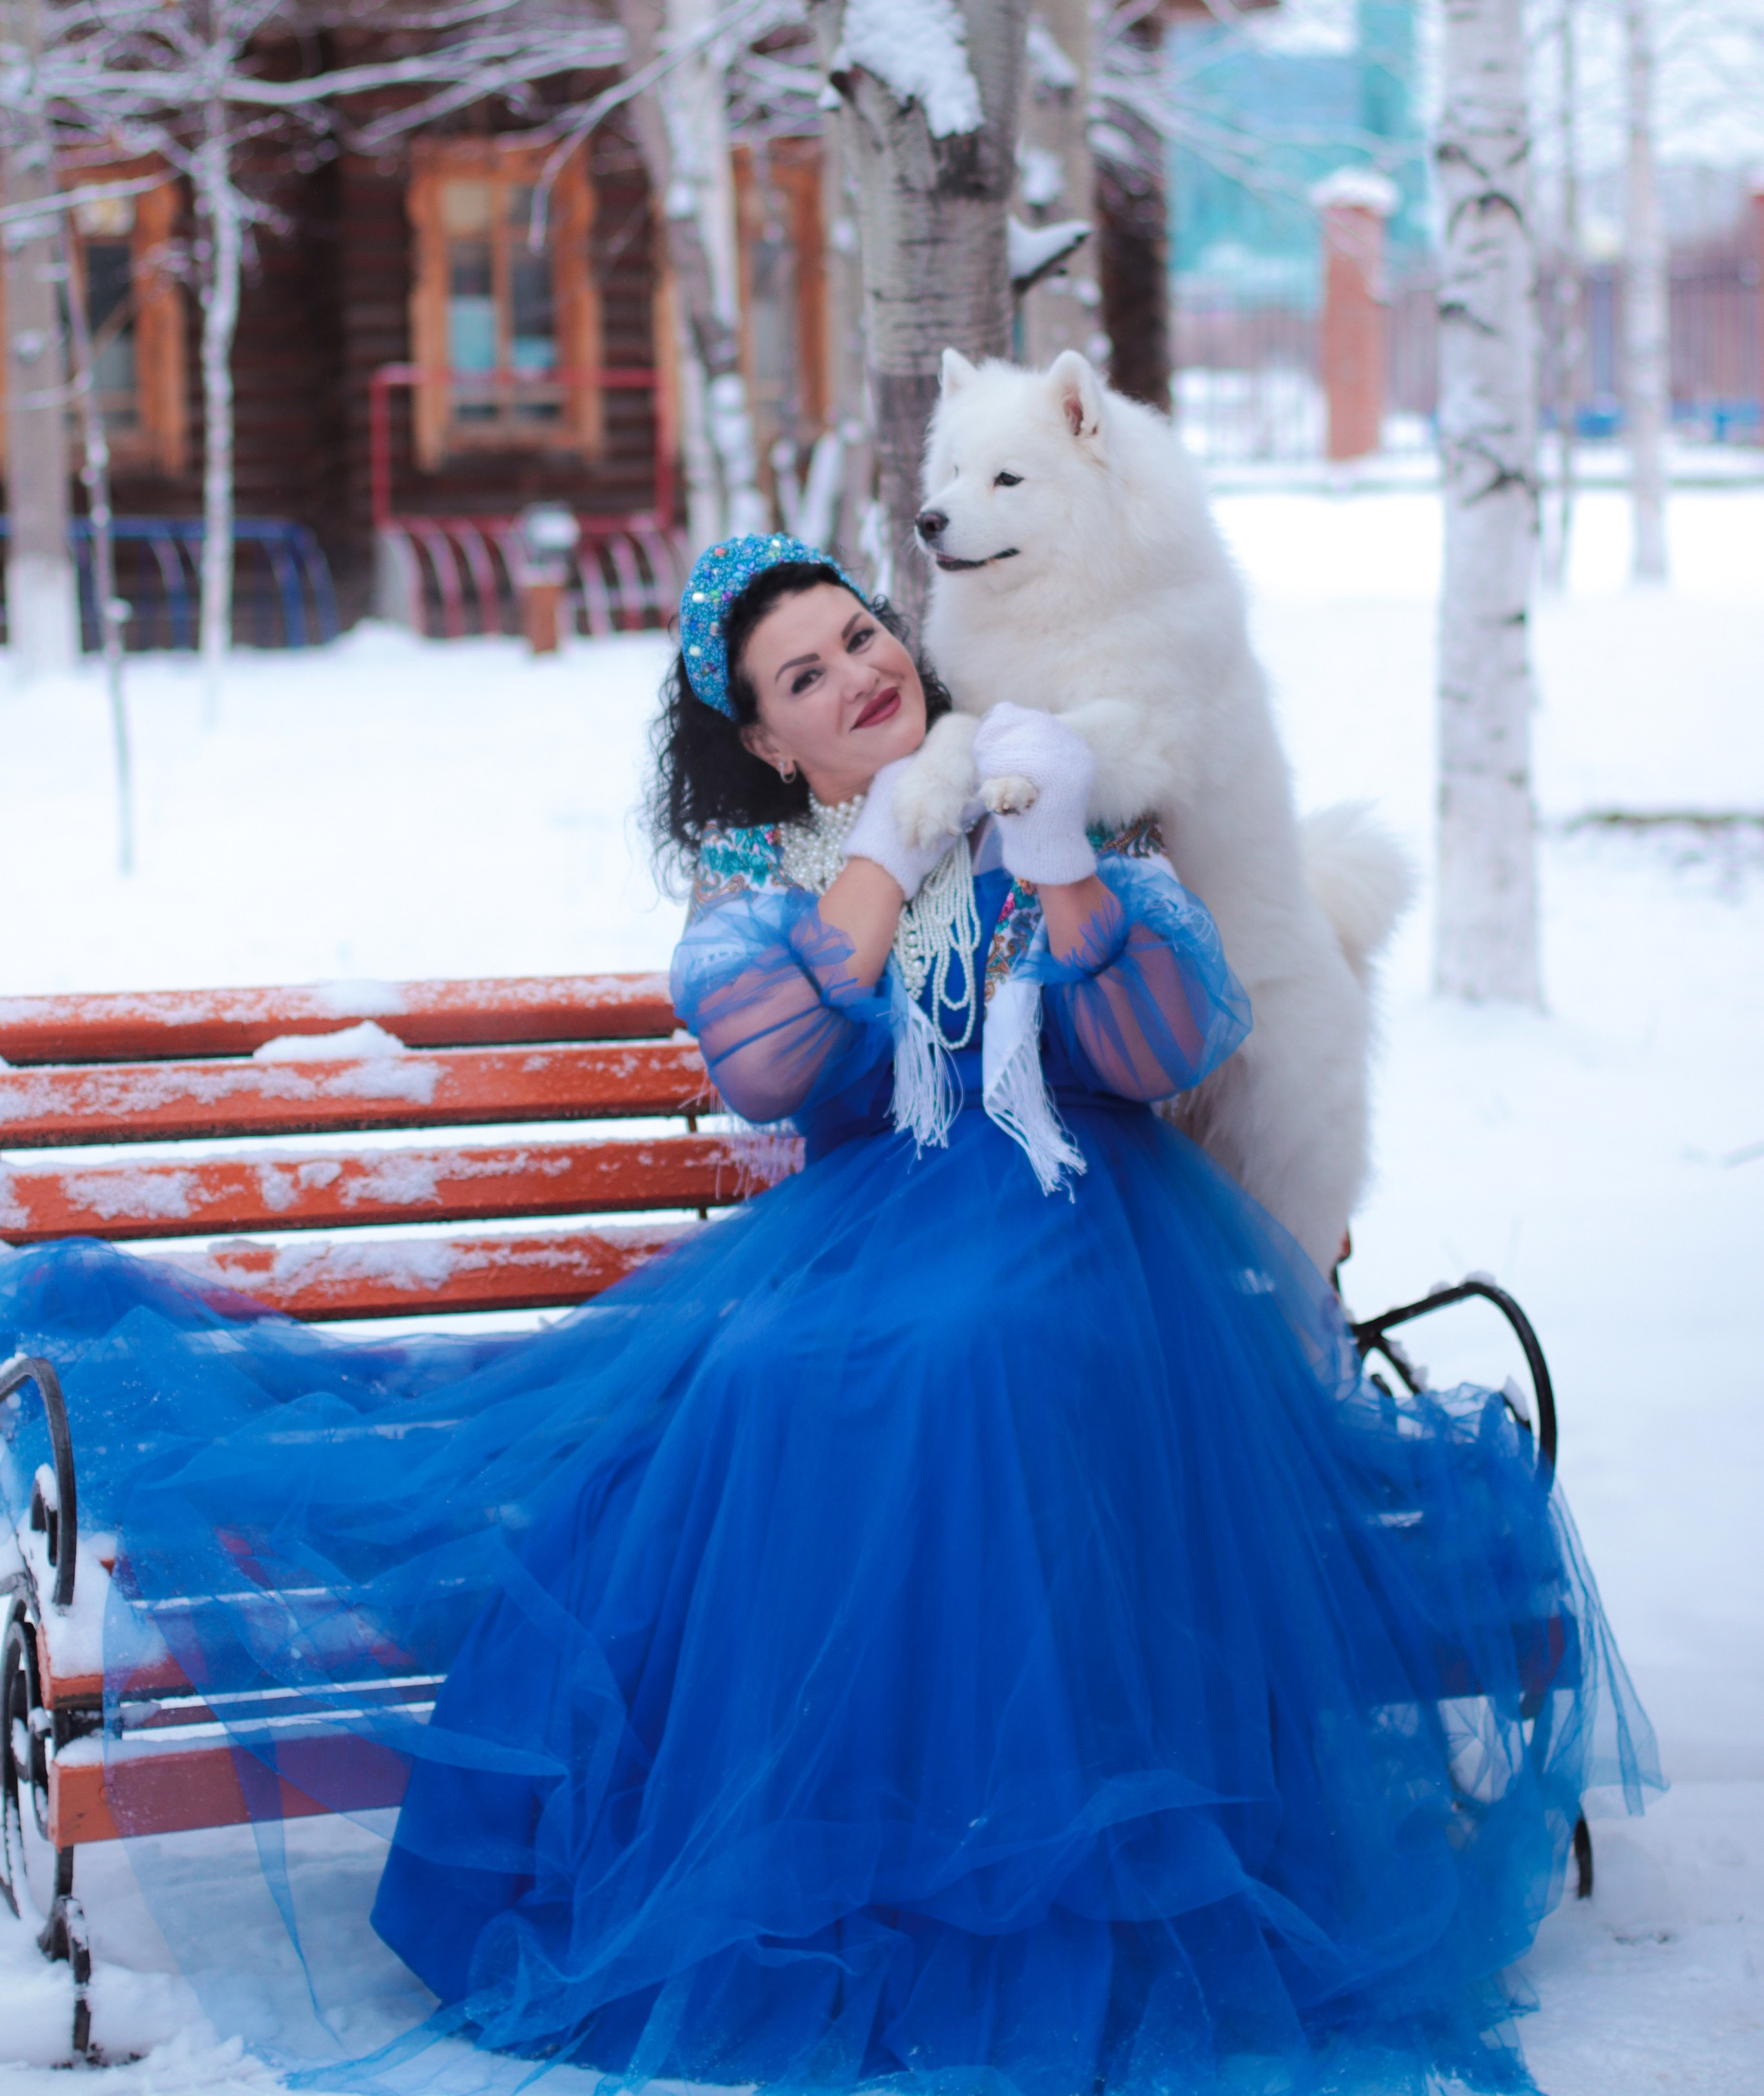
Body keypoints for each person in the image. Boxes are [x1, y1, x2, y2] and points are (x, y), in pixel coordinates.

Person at [0, 533, 1654, 2096]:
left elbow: (1163, 1049)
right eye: (802, 677)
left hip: (1083, 1231)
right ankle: (826, 1859)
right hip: (863, 1239)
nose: (856, 671)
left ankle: (1044, 1877)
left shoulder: (1058, 799)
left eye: (862, 634)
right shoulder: (767, 906)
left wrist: (1051, 848)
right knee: (776, 1376)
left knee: (968, 1363)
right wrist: (891, 838)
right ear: (771, 747)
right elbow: (777, 1057)